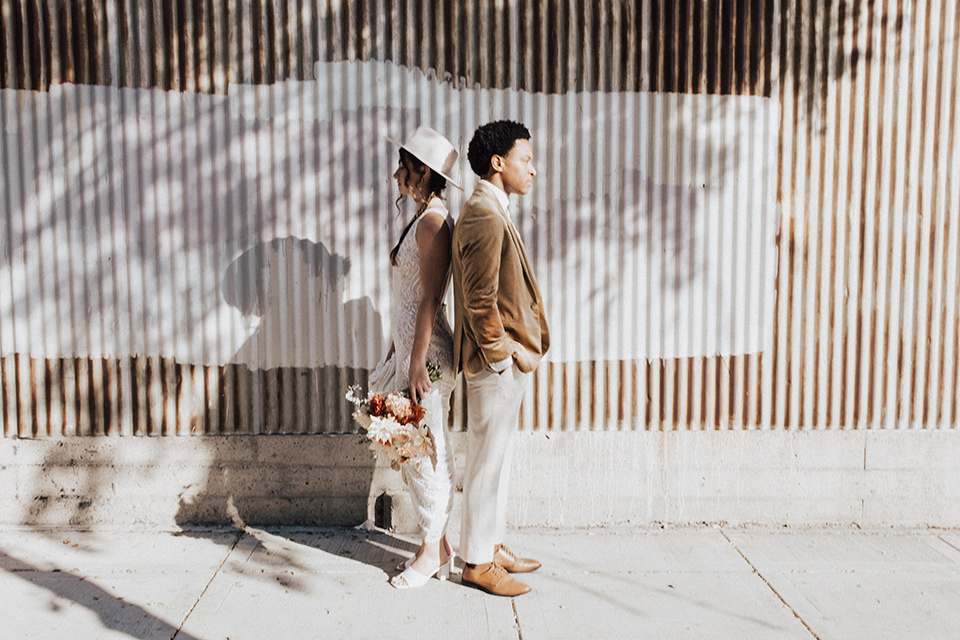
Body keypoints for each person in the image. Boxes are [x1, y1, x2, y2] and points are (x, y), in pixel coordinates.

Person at [451, 120, 550, 596]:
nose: (533, 169)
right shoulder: (484, 214)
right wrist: (499, 356)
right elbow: (478, 299)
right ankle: (476, 563)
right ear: (499, 163)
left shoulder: (490, 207)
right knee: (486, 463)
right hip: (494, 365)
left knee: (497, 459)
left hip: (500, 363)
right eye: (525, 160)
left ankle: (489, 547)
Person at [371, 126, 460, 589]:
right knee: (411, 448)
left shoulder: (432, 222)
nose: (396, 174)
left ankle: (429, 550)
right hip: (411, 350)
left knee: (425, 451)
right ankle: (440, 544)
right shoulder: (425, 216)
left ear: (422, 171)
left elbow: (429, 298)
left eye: (404, 168)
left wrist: (415, 363)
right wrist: (397, 352)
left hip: (426, 356)